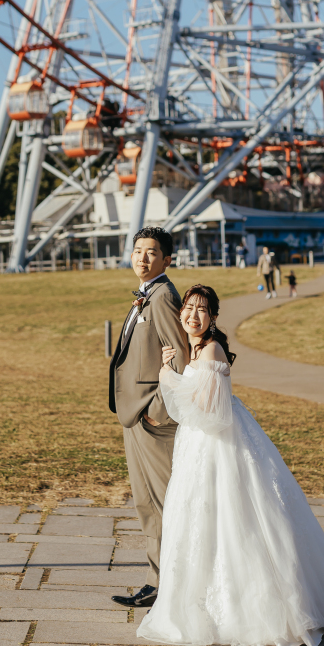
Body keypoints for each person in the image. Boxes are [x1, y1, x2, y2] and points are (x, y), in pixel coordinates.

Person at [136, 283, 324, 646]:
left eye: (201, 310)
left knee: (234, 518)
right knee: (202, 521)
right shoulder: (195, 349)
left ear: (212, 318)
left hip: (217, 445)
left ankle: (256, 608)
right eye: (188, 309)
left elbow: (210, 414)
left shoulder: (211, 350)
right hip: (198, 445)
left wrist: (168, 376)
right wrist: (175, 373)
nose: (192, 315)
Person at [108, 226, 189, 609]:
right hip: (135, 415)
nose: (142, 257)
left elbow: (182, 357)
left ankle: (165, 585)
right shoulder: (147, 294)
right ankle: (157, 581)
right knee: (146, 503)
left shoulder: (162, 297)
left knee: (162, 503)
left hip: (152, 419)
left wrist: (157, 412)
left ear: (167, 259)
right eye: (137, 250)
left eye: (151, 252)